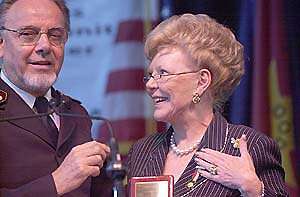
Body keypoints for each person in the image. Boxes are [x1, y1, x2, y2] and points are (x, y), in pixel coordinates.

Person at [126, 14, 288, 196]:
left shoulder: (250, 147)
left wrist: (253, 189)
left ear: (202, 81)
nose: (150, 85)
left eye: (163, 73)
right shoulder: (142, 151)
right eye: (151, 75)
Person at [0, 0, 111, 196]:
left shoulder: (76, 113)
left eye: (55, 35)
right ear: (1, 43)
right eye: (28, 34)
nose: (44, 46)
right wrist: (57, 182)